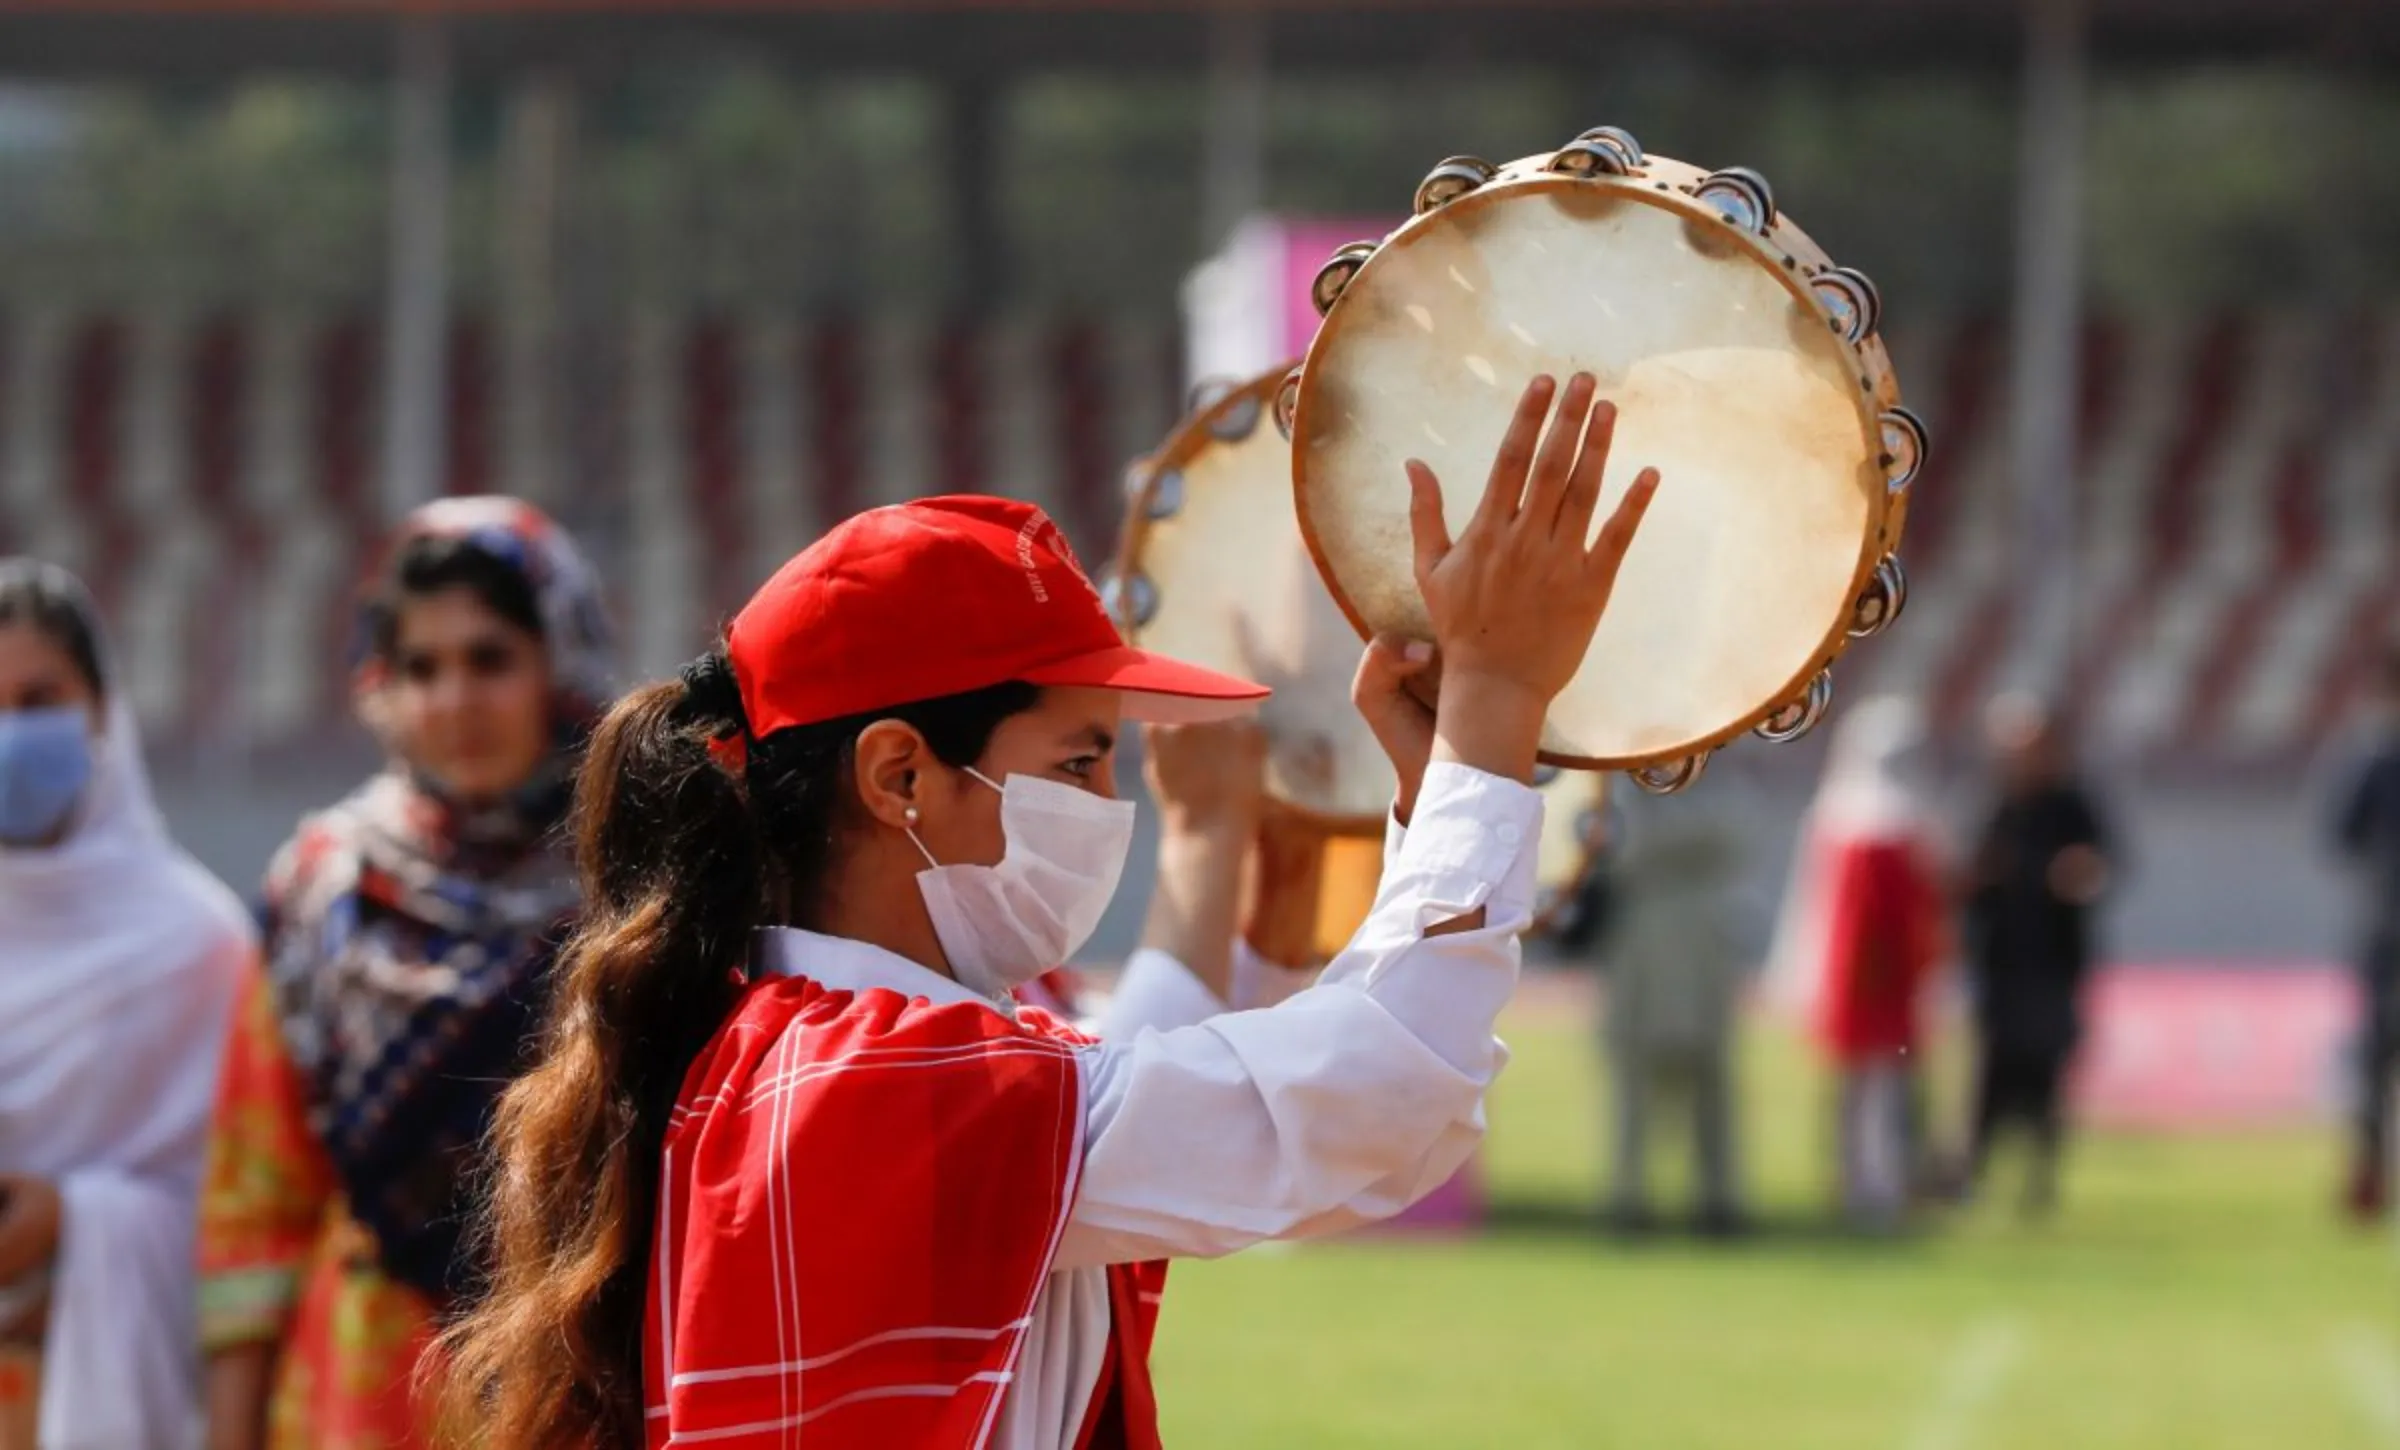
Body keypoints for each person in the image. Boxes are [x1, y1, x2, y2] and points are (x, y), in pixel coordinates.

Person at [440, 372, 1659, 1450]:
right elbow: (1374, 1100)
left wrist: (1266, 823)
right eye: (1081, 762)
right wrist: (1492, 712)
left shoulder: (806, 1042)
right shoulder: (884, 1077)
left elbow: (1192, 1092)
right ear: (900, 775)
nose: (1107, 803)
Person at [197, 498, 614, 1450]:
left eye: (490, 659)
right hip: (355, 1389)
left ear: (559, 663)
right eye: (420, 667)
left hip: (576, 1378)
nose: (453, 700)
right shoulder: (324, 890)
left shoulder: (629, 881)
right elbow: (256, 1198)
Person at [0, 560, 253, 1450]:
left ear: (104, 710)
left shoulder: (200, 946)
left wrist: (73, 1222)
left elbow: (253, 1218)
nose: (10, 733)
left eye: (39, 700)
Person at [1766, 696, 1948, 1232]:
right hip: (1869, 976)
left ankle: (1877, 1181)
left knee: (1877, 1087)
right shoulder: (1870, 823)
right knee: (1874, 1087)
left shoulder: (1850, 817)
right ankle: (1868, 1182)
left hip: (1871, 977)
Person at [1961, 694, 2114, 1218]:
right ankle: (1975, 1173)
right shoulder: (1994, 803)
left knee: (2046, 1073)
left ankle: (2038, 1181)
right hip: (2000, 961)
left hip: (2054, 961)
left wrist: (2079, 873)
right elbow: (1968, 873)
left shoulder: (2073, 805)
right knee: (1992, 1073)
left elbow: (2103, 866)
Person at [1594, 775, 1763, 1237]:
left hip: (1703, 939)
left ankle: (1718, 1199)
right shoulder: (1626, 780)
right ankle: (1629, 1197)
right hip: (1643, 940)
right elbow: (1625, 847)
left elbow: (1737, 834)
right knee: (1634, 1075)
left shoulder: (1716, 776)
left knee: (1712, 1077)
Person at [2330, 645, 2400, 1220]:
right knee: (2377, 1058)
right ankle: (2371, 1169)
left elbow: (2342, 836)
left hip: (2387, 929)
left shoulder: (2373, 759)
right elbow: (2342, 834)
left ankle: (2371, 1169)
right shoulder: (2374, 760)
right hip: (2389, 932)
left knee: (2376, 1060)